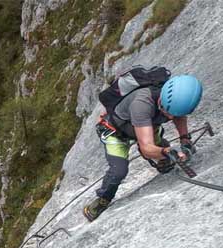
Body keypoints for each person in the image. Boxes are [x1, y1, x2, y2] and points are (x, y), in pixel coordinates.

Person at [83, 74, 203, 221]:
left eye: (174, 115)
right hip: (116, 132)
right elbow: (147, 148)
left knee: (164, 159)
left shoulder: (173, 102)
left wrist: (185, 139)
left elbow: (179, 116)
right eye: (168, 113)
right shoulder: (142, 103)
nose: (170, 118)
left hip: (148, 125)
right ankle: (103, 199)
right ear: (162, 101)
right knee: (118, 171)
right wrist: (166, 152)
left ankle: (161, 156)